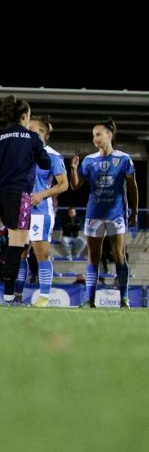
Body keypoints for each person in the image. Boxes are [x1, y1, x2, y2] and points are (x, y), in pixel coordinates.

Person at [0, 95, 52, 306]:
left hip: (0, 194)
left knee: (16, 242)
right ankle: (9, 296)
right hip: (20, 194)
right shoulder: (32, 138)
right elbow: (45, 163)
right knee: (18, 245)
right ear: (24, 116)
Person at [69, 117, 139, 308]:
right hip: (94, 215)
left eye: (98, 134)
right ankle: (90, 300)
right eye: (93, 135)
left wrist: (135, 210)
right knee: (93, 257)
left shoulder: (124, 159)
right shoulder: (89, 161)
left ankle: (124, 299)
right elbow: (75, 186)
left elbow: (132, 187)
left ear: (110, 135)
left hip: (116, 215)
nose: (95, 138)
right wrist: (74, 169)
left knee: (119, 256)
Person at [21, 115, 68, 307]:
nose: (30, 132)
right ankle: (16, 295)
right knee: (20, 253)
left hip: (41, 211)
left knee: (41, 253)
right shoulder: (22, 154)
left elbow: (63, 184)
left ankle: (45, 297)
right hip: (21, 209)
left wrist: (42, 194)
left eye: (34, 130)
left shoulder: (53, 156)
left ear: (44, 134)